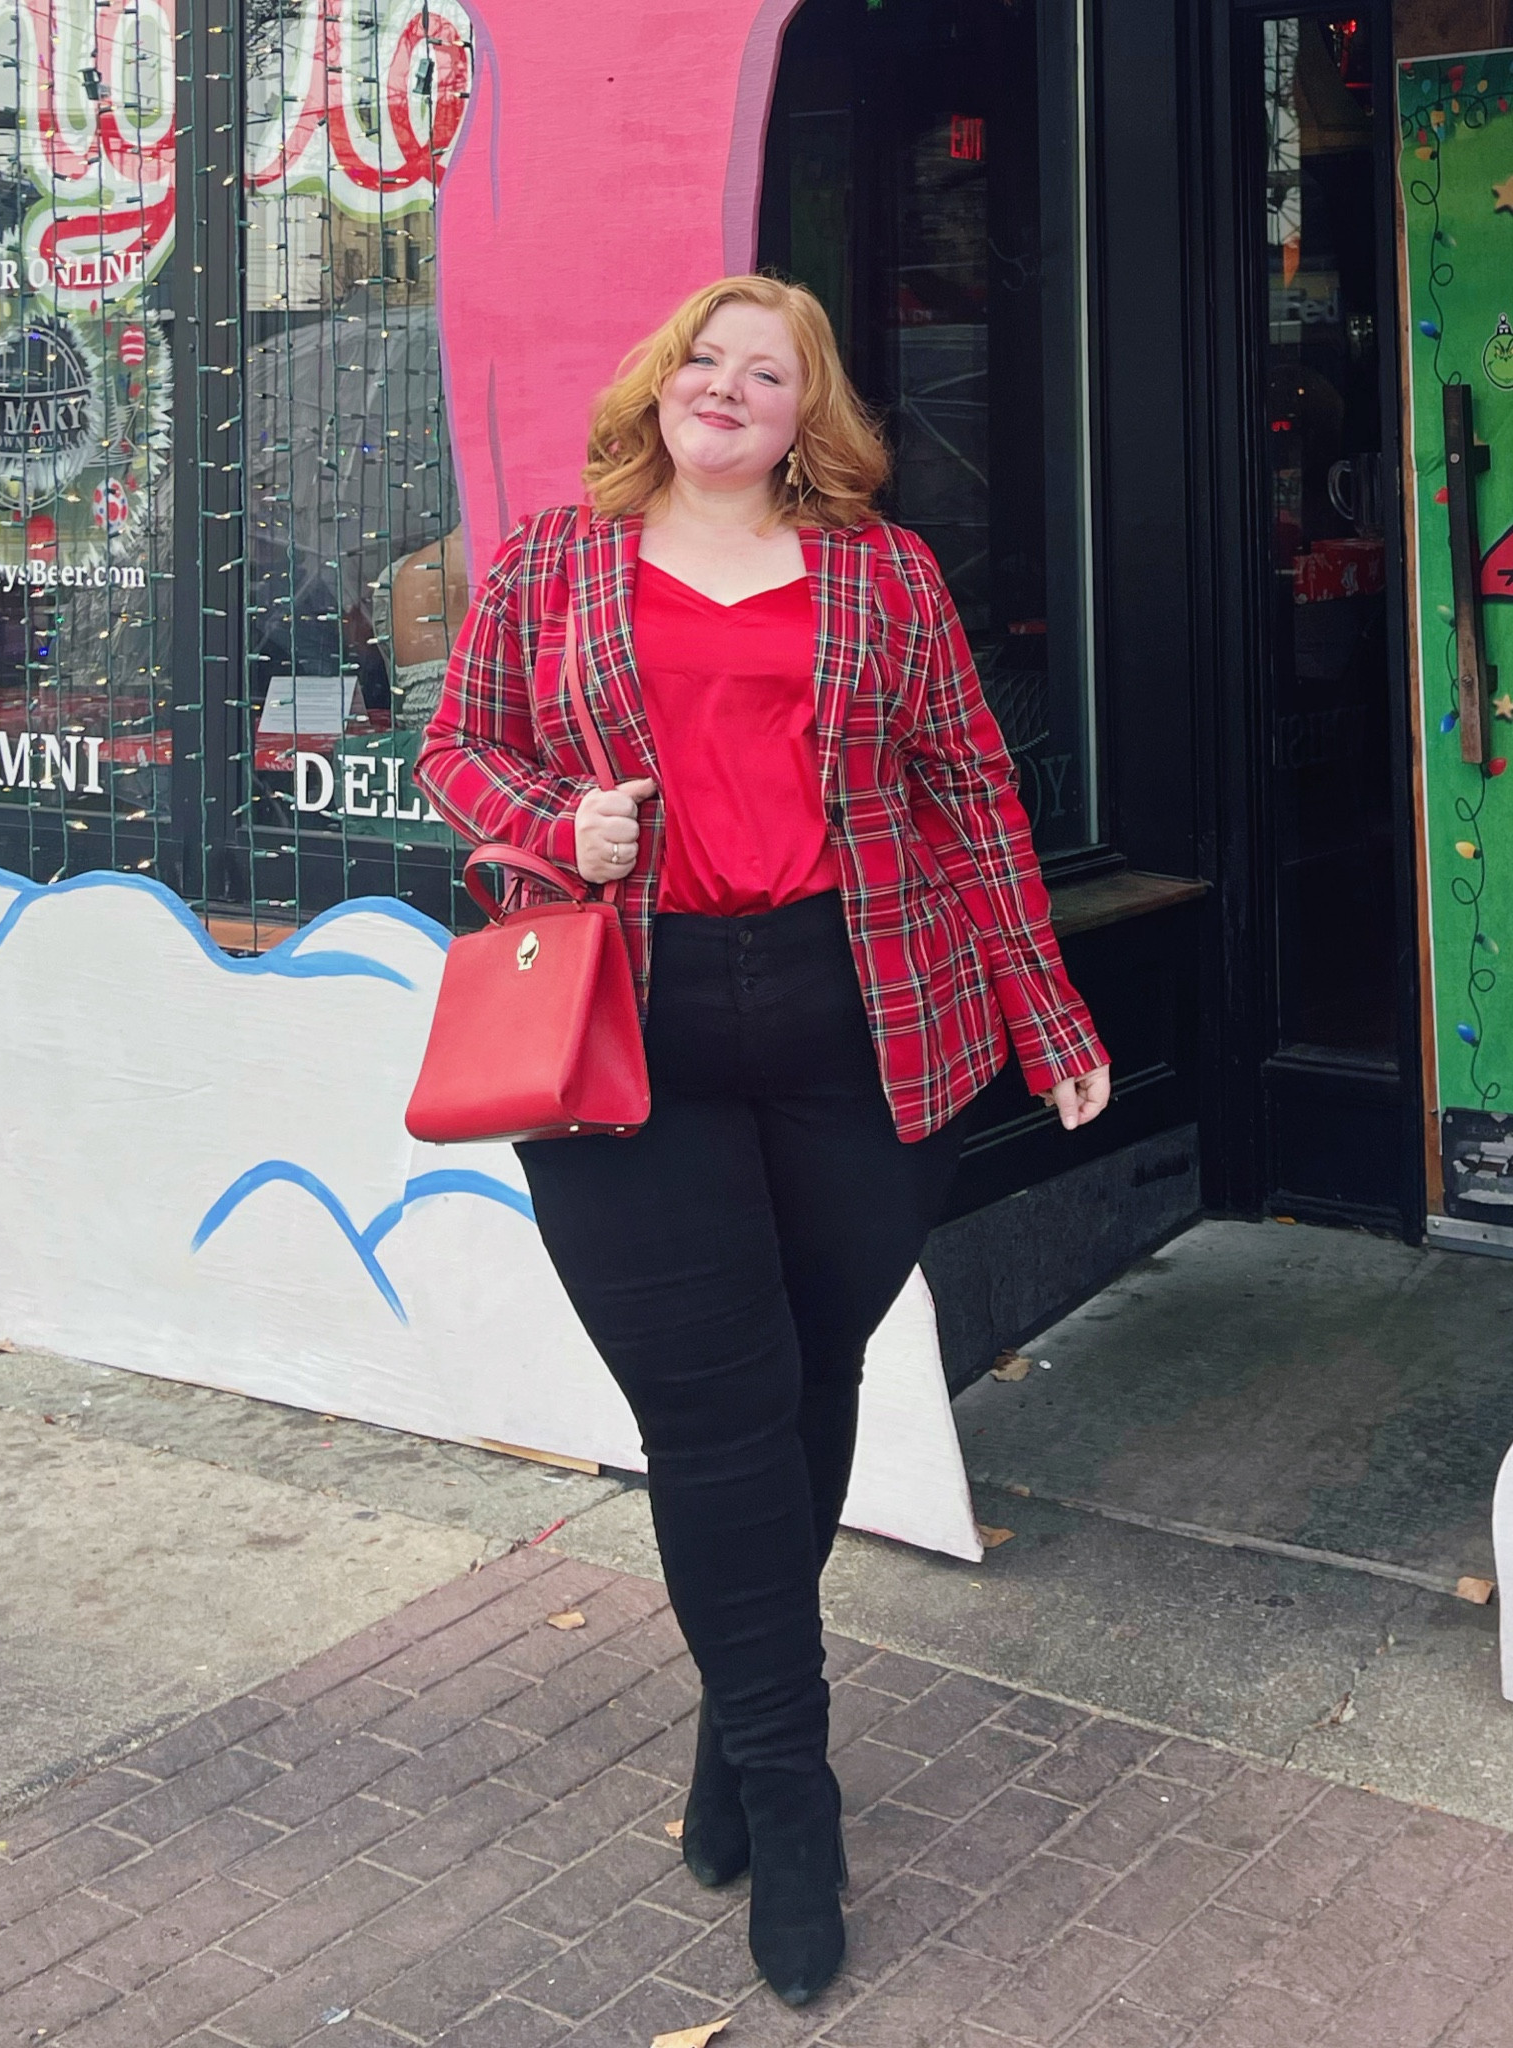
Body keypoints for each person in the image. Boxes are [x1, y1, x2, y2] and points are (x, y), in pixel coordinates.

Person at [415, 275, 1110, 2007]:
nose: (730, 389)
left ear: (813, 418)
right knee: (721, 1415)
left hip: (861, 1027)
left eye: (770, 373)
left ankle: (739, 1731)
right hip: (625, 1031)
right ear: (660, 387)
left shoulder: (885, 578)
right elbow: (456, 744)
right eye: (705, 361)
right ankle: (796, 1807)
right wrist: (548, 823)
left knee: (807, 1378)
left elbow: (968, 794)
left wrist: (1051, 1012)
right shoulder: (555, 562)